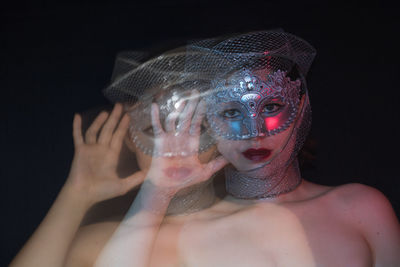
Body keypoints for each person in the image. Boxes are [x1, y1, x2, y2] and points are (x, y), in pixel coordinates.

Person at [10, 30, 400, 267]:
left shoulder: (363, 208)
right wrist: (87, 195)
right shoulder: (168, 235)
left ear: (300, 108)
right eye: (231, 111)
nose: (254, 131)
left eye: (271, 106)